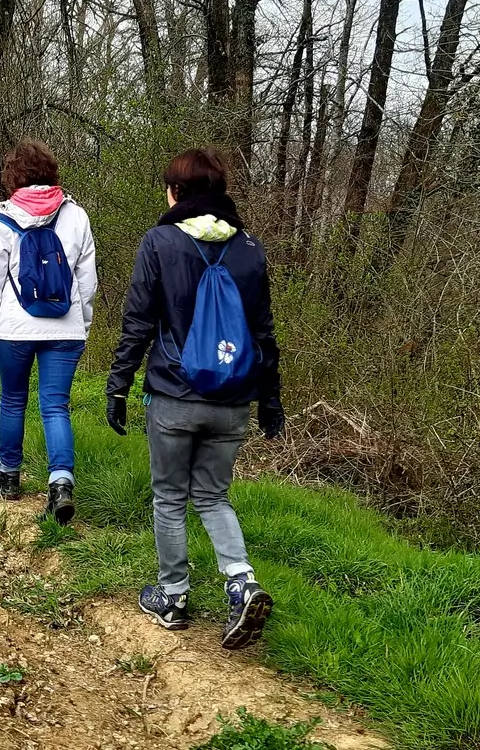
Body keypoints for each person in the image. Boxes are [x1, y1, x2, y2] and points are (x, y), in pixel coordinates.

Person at [105, 147, 285, 650]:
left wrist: (119, 385)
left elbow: (139, 322)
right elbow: (264, 333)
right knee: (212, 496)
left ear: (177, 192)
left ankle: (173, 596)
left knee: (169, 497)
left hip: (174, 395)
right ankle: (241, 582)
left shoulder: (160, 242)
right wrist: (270, 400)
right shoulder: (250, 249)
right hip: (233, 399)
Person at [0, 138, 98, 524]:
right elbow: (87, 281)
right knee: (55, 405)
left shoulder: (3, 221)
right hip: (66, 328)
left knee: (12, 400)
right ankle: (61, 485)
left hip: (14, 328)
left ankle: (8, 477)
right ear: (51, 172)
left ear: (13, 178)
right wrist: (83, 323)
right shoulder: (77, 216)